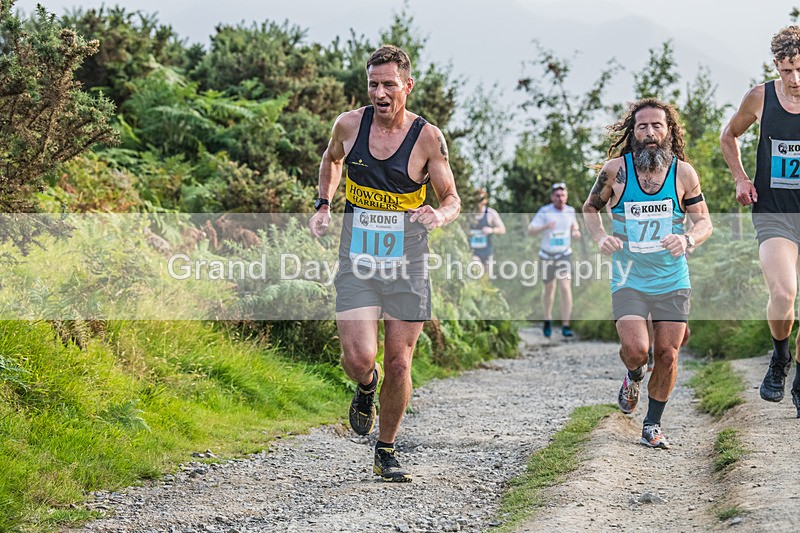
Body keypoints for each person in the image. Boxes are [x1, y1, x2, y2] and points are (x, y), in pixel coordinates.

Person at [308, 45, 460, 482]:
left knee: (400, 362)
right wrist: (323, 205)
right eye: (373, 83)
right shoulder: (349, 125)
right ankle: (365, 386)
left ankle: (386, 449)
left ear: (407, 86)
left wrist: (439, 213)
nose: (380, 92)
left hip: (408, 263)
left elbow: (451, 198)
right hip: (357, 260)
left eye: (389, 84)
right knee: (360, 358)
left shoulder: (427, 138)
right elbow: (330, 160)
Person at [583, 98, 712, 449]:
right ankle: (634, 374)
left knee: (668, 354)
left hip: (672, 277)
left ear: (668, 131)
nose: (650, 133)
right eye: (643, 127)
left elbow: (704, 222)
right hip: (629, 276)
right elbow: (590, 208)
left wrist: (686, 239)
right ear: (633, 132)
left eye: (657, 126)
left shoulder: (683, 173)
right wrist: (601, 237)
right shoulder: (614, 171)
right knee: (637, 349)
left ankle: (652, 424)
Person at [720, 26, 800, 416]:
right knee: (784, 294)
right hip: (774, 213)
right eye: (786, 70)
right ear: (776, 67)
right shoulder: (760, 97)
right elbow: (728, 136)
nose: (794, 79)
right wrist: (740, 178)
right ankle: (780, 358)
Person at [528, 182, 581, 337]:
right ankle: (547, 318)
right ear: (552, 197)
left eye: (563, 195)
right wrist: (545, 227)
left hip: (564, 254)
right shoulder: (544, 212)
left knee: (565, 287)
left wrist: (576, 232)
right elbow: (530, 230)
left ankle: (566, 324)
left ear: (567, 196)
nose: (560, 198)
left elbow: (575, 227)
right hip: (546, 255)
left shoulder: (570, 211)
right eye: (557, 195)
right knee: (549, 290)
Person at [468, 188, 506, 266]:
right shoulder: (469, 214)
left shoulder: (491, 213)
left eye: (481, 199)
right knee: (477, 271)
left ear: (486, 200)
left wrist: (491, 230)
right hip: (474, 252)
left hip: (487, 252)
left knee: (487, 277)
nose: (479, 202)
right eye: (477, 199)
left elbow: (503, 229)